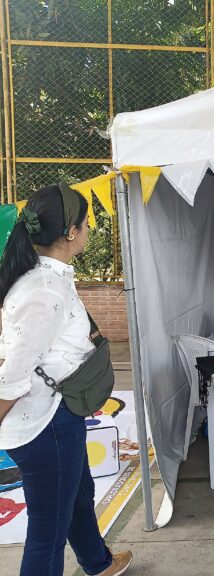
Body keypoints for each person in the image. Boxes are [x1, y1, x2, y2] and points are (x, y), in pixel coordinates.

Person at [0, 185, 133, 576]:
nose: (89, 230)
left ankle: (98, 562)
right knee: (47, 532)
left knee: (78, 491)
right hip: (46, 425)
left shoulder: (45, 276)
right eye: (87, 223)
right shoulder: (44, 291)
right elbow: (11, 377)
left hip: (60, 415)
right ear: (71, 233)